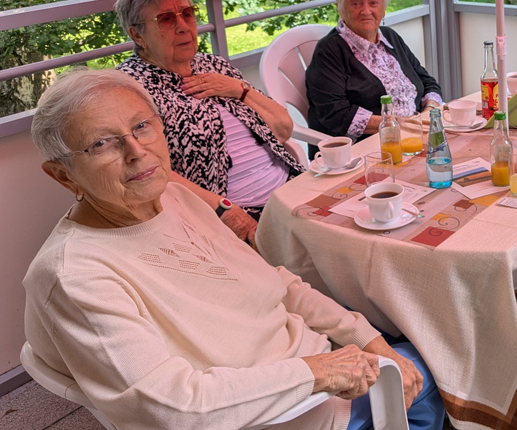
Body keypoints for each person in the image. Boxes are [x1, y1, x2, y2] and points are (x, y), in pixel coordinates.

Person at [24, 69, 446, 430]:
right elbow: (170, 406)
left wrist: (368, 339)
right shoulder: (74, 276)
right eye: (102, 144)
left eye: (141, 126)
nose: (137, 151)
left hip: (321, 366)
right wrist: (318, 373)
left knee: (423, 337)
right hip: (289, 412)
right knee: (446, 365)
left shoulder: (176, 197)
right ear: (63, 176)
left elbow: (280, 285)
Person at [115, 0, 302, 245]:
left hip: (289, 188)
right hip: (233, 215)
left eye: (188, 14)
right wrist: (224, 210)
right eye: (167, 19)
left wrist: (240, 90)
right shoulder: (132, 89)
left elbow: (284, 129)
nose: (183, 27)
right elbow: (150, 168)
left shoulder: (214, 65)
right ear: (137, 35)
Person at [306, 0, 443, 149]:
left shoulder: (390, 37)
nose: (366, 11)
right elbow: (335, 114)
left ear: (383, 8)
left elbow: (427, 82)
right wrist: (396, 125)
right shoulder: (329, 51)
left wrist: (429, 113)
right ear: (340, 8)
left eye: (373, 3)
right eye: (355, 3)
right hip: (369, 148)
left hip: (416, 135)